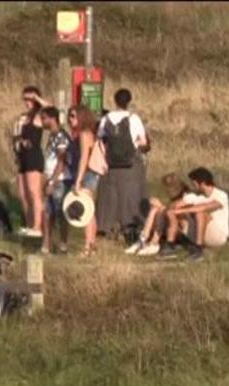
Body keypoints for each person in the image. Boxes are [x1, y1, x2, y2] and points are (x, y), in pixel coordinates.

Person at [95, 88, 151, 239]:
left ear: (115, 100)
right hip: (131, 163)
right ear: (129, 101)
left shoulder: (106, 119)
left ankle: (108, 227)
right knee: (132, 196)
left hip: (111, 164)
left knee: (111, 197)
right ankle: (131, 228)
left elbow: (100, 139)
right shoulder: (134, 118)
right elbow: (144, 142)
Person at [158, 167, 229, 261]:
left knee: (200, 213)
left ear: (201, 183)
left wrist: (181, 211)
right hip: (200, 232)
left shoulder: (221, 195)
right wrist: (165, 208)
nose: (192, 185)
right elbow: (176, 205)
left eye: (194, 183)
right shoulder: (195, 196)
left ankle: (198, 250)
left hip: (218, 235)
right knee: (173, 213)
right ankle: (170, 245)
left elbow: (206, 207)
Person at [12, 86, 51, 237]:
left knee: (34, 192)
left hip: (34, 156)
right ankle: (29, 224)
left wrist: (37, 98)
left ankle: (38, 226)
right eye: (25, 99)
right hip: (23, 156)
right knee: (23, 193)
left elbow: (51, 108)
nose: (27, 102)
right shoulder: (25, 117)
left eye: (30, 99)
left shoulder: (39, 115)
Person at [124, 173, 192, 257]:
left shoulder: (186, 197)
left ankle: (152, 242)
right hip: (173, 226)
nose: (166, 191)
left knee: (160, 210)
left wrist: (161, 206)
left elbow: (174, 211)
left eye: (167, 188)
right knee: (155, 209)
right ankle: (143, 239)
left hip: (182, 230)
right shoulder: (175, 198)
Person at [39, 106, 74, 254]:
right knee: (47, 213)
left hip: (60, 180)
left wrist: (53, 181)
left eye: (44, 118)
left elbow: (61, 161)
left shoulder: (61, 136)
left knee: (60, 213)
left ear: (52, 119)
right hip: (51, 178)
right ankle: (46, 244)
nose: (42, 122)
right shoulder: (52, 135)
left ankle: (63, 244)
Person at [70, 105, 103, 258]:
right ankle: (92, 244)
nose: (70, 120)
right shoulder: (88, 133)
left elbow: (84, 157)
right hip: (92, 173)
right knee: (90, 210)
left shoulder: (84, 134)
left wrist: (78, 180)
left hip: (87, 173)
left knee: (86, 211)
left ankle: (88, 246)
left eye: (73, 116)